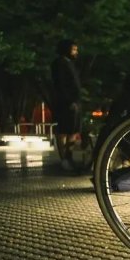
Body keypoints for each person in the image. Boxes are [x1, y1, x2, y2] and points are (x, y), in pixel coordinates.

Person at [50, 39, 82, 170]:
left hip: (73, 102)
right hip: (65, 103)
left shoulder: (69, 63)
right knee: (64, 130)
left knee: (73, 130)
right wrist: (69, 101)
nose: (76, 52)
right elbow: (61, 85)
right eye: (73, 50)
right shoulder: (59, 63)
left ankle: (69, 157)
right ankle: (64, 158)